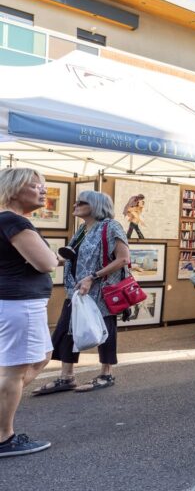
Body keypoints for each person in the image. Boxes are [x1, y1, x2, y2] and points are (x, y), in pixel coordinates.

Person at [34, 190, 129, 398]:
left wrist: (92, 277)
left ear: (95, 206)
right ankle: (66, 376)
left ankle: (106, 373)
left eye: (81, 202)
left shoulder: (111, 226)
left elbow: (123, 259)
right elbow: (72, 258)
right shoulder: (82, 230)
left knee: (104, 329)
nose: (75, 205)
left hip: (100, 289)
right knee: (67, 327)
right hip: (77, 289)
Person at [0, 168, 58, 457]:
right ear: (13, 190)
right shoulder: (13, 221)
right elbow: (46, 264)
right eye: (36, 186)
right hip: (18, 304)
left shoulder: (10, 222)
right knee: (14, 370)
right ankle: (3, 438)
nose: (42, 190)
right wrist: (53, 257)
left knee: (42, 356)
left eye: (43, 186)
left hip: (17, 302)